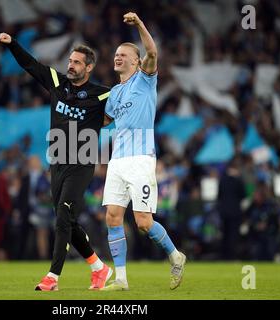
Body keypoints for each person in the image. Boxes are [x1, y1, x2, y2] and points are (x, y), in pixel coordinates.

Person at [0, 32, 112, 291]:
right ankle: (99, 268)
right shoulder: (56, 83)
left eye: (77, 62)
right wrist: (12, 44)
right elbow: (30, 65)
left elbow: (126, 104)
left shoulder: (103, 95)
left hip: (81, 164)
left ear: (89, 67)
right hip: (57, 163)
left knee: (62, 215)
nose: (71, 65)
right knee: (67, 221)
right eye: (70, 61)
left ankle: (52, 277)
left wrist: (110, 119)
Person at [101, 12, 186, 291]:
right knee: (113, 216)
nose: (118, 57)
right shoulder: (114, 93)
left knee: (143, 223)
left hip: (141, 159)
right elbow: (103, 120)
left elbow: (152, 50)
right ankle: (121, 280)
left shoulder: (145, 79)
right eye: (116, 54)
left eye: (123, 55)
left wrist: (138, 24)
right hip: (117, 161)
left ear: (136, 62)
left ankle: (176, 255)